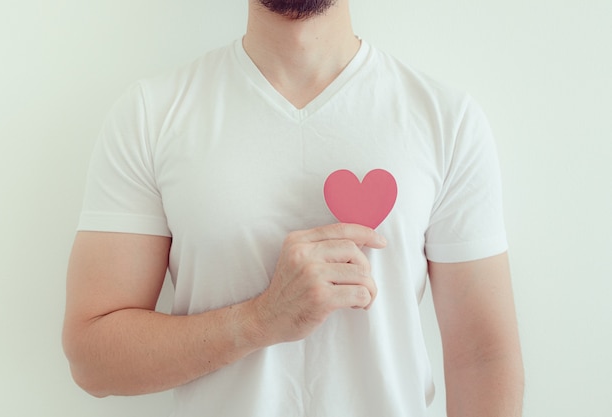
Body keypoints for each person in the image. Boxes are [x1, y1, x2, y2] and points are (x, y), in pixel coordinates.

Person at [63, 1, 524, 416]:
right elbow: (92, 359)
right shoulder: (152, 115)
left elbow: (483, 357)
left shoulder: (447, 120)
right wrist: (261, 320)